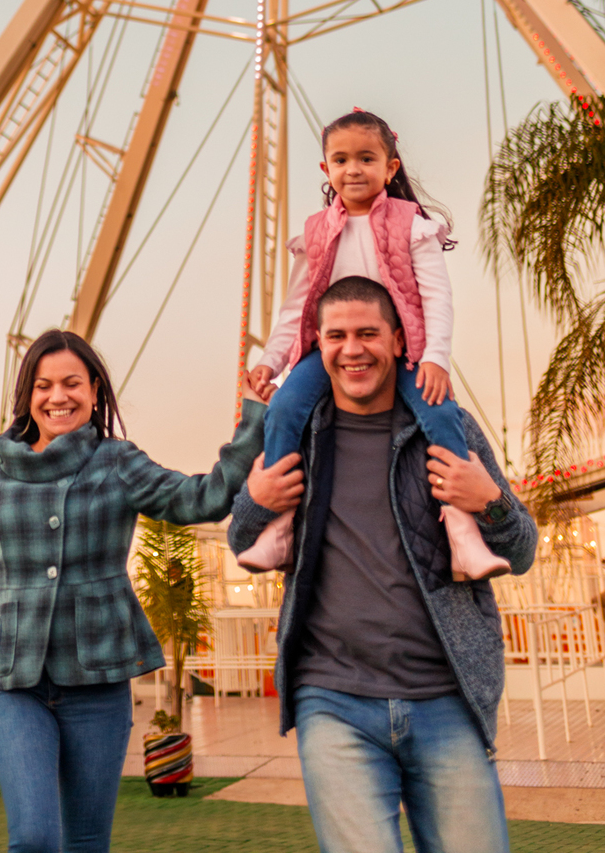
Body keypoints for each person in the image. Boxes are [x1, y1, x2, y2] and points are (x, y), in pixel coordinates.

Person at [0, 328, 295, 853]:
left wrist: (253, 421)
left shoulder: (117, 462)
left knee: (86, 843)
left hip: (97, 679)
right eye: (43, 385)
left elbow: (201, 499)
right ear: (28, 395)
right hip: (14, 682)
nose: (57, 397)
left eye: (71, 384)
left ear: (93, 392)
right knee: (36, 838)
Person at [229, 276, 536, 853]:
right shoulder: (299, 435)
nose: (353, 349)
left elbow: (521, 550)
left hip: (445, 696)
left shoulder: (448, 427)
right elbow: (243, 541)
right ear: (318, 346)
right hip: (333, 700)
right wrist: (256, 500)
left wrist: (487, 500)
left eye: (368, 333)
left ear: (398, 340)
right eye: (337, 336)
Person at [241, 107, 507, 581]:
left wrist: (435, 358)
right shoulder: (316, 231)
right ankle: (279, 526)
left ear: (391, 166)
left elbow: (436, 297)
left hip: (402, 349)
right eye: (341, 160)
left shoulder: (411, 224)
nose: (354, 169)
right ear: (326, 169)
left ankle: (463, 534)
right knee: (281, 410)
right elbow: (296, 306)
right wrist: (272, 360)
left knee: (441, 415)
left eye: (367, 158)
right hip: (328, 352)